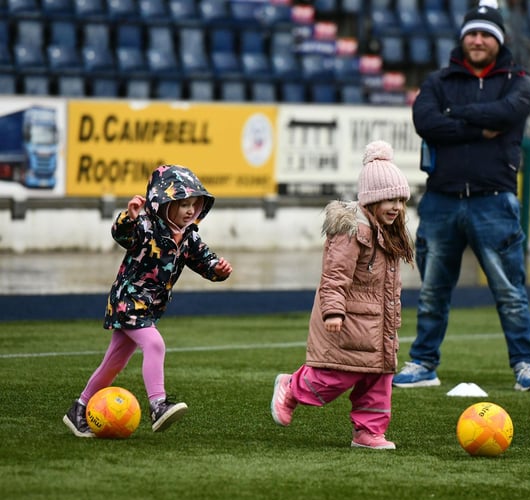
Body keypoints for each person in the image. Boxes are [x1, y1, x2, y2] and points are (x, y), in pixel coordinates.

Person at [392, 0, 530, 391]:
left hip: (495, 200)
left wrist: (454, 115)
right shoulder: (438, 80)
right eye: (471, 33)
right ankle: (424, 363)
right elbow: (425, 121)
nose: (477, 40)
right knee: (431, 293)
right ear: (462, 39)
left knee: (510, 292)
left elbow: (509, 114)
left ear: (499, 39)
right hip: (441, 199)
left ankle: (526, 367)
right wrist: (478, 126)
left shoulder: (519, 80)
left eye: (485, 34)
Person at [63, 165, 233, 437]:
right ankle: (158, 405)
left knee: (113, 364)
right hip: (128, 301)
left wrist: (218, 269)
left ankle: (79, 408)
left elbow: (204, 260)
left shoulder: (189, 237)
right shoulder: (145, 226)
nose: (190, 210)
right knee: (155, 343)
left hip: (149, 307)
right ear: (164, 205)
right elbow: (122, 235)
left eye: (194, 204)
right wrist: (129, 218)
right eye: (183, 204)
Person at [270, 140, 415, 450]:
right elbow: (334, 276)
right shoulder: (352, 232)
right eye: (390, 199)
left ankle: (368, 432)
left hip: (379, 328)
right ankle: (292, 387)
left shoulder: (388, 235)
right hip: (347, 323)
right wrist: (333, 311)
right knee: (331, 378)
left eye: (401, 201)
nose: (396, 208)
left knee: (378, 382)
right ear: (372, 199)